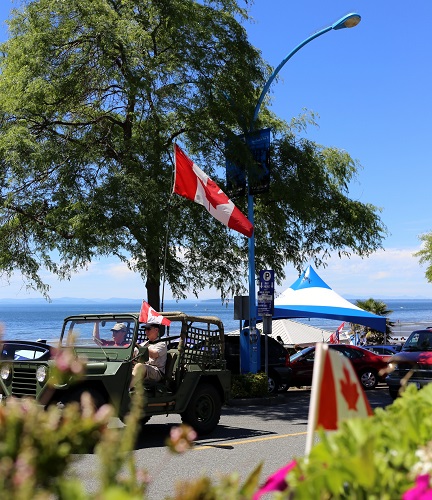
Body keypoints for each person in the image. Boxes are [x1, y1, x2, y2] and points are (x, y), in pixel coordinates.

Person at [130, 323, 167, 387]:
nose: (146, 331)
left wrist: (138, 346)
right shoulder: (145, 343)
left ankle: (127, 389)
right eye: (145, 329)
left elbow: (154, 354)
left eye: (148, 329)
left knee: (139, 366)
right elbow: (134, 353)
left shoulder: (161, 344)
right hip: (145, 368)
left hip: (156, 372)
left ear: (156, 330)